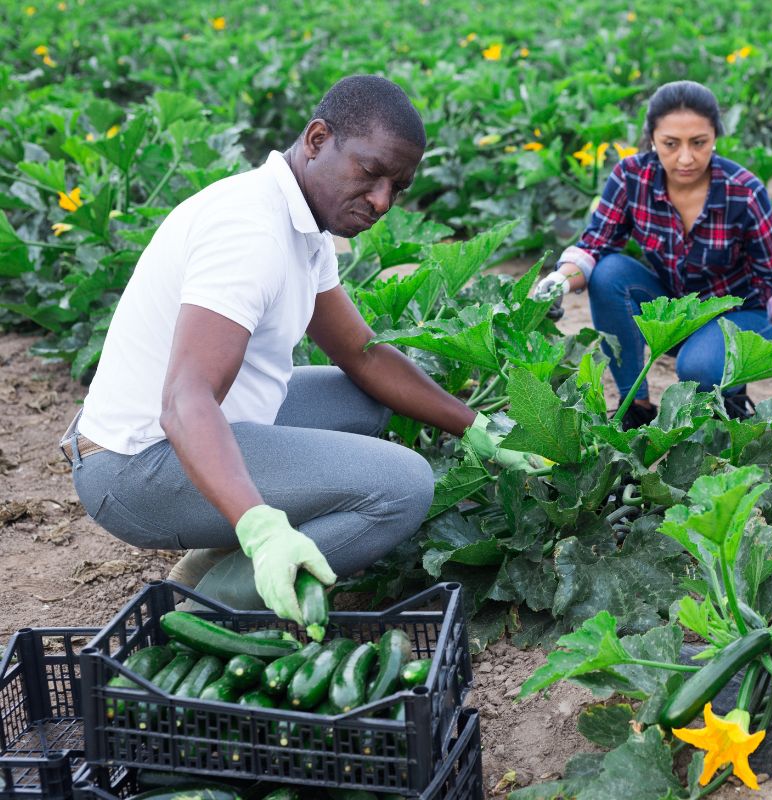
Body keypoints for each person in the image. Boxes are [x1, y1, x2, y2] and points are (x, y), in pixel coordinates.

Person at [59, 75, 526, 624]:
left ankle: (211, 560)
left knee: (362, 400)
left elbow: (364, 355)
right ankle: (200, 613)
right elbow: (185, 400)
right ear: (317, 139)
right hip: (135, 467)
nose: (381, 201)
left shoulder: (301, 223)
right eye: (371, 172)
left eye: (397, 188)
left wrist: (475, 426)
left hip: (190, 430)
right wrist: (260, 526)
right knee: (403, 486)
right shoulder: (249, 231)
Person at [534, 80, 772, 428]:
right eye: (671, 144)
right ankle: (634, 404)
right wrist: (559, 281)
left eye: (699, 143)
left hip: (744, 316)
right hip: (678, 309)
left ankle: (731, 391)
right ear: (652, 138)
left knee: (695, 368)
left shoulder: (743, 191)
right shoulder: (631, 177)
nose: (685, 158)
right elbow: (594, 245)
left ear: (715, 136)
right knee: (608, 272)